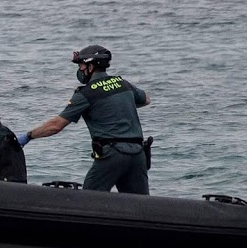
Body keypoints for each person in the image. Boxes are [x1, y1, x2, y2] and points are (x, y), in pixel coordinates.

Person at [17, 45, 151, 194]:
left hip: (113, 154)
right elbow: (145, 100)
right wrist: (115, 106)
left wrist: (29, 136)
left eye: (81, 65)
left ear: (91, 66)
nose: (79, 70)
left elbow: (56, 126)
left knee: (88, 200)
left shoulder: (86, 93)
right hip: (138, 155)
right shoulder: (123, 84)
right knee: (141, 206)